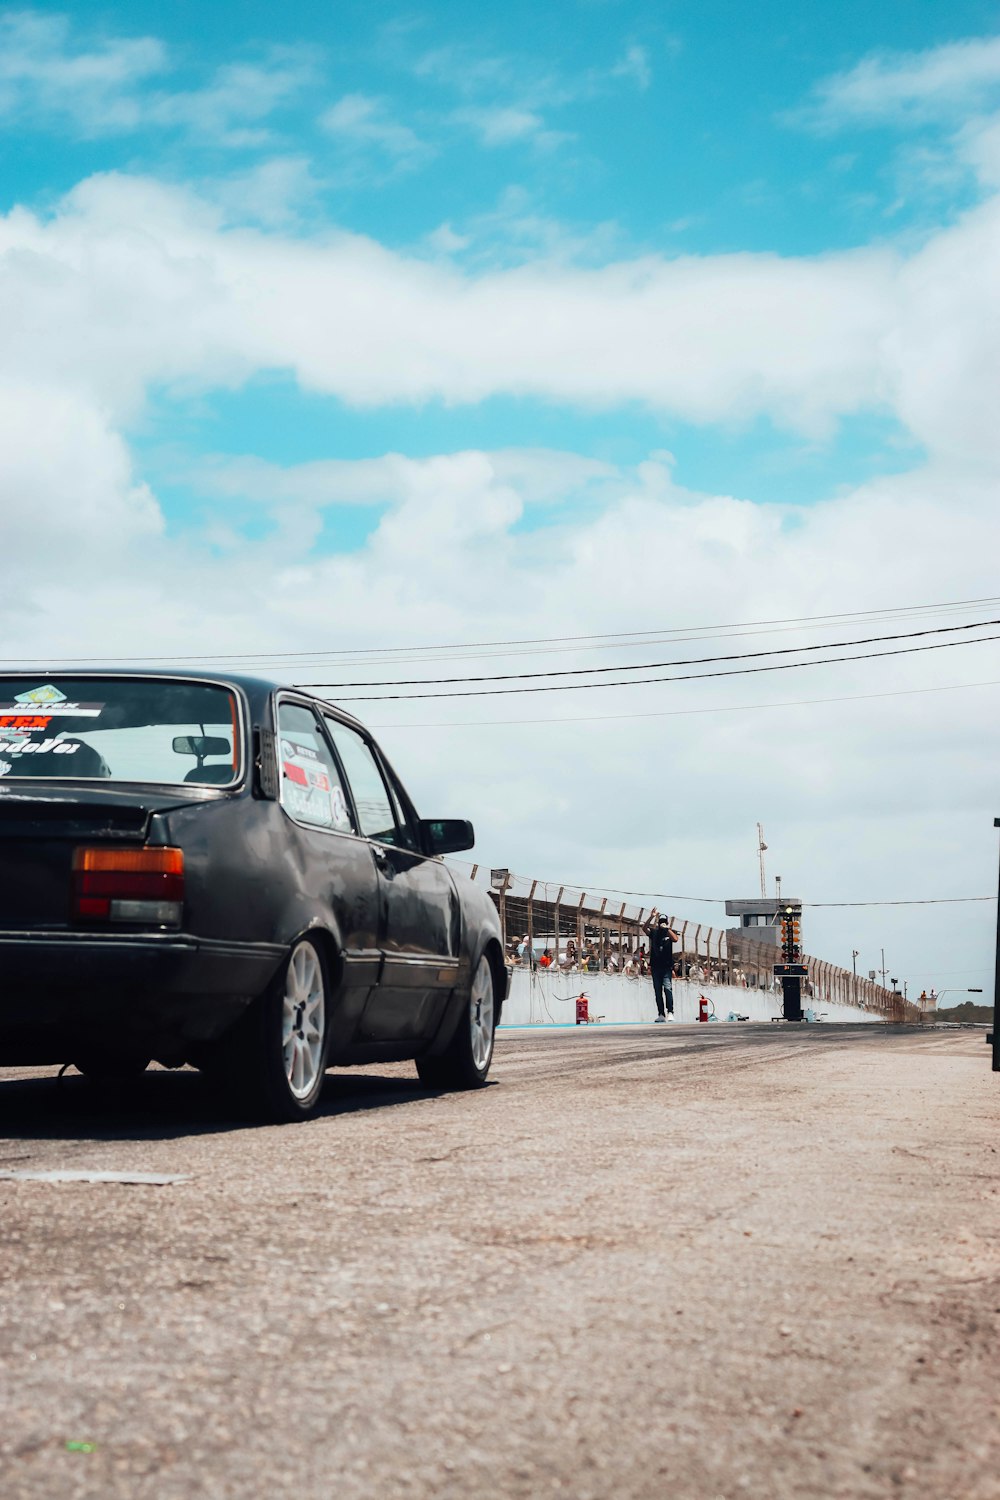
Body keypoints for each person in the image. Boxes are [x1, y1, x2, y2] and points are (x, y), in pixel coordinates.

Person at [643, 908, 680, 1021]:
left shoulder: (669, 933)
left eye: (664, 922)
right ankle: (661, 1014)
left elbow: (676, 939)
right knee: (658, 991)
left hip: (666, 968)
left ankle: (670, 1011)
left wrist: (667, 928)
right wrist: (651, 917)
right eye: (660, 922)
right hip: (655, 967)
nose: (662, 924)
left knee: (668, 989)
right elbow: (644, 928)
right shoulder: (654, 933)